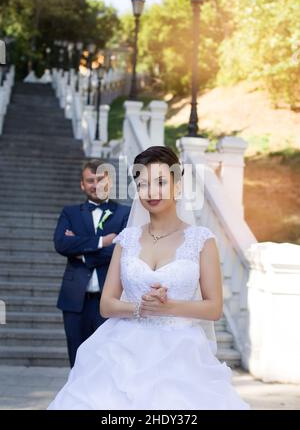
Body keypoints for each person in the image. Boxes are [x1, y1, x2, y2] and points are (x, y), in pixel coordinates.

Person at [48, 147, 249, 410]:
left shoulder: (201, 240)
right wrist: (140, 307)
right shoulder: (127, 239)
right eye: (142, 184)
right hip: (122, 350)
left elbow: (213, 308)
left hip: (180, 353)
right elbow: (107, 305)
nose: (151, 191)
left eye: (161, 182)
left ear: (177, 186)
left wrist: (169, 307)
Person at [53, 159, 130, 367]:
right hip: (74, 299)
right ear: (82, 184)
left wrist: (81, 251)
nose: (96, 185)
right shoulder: (69, 213)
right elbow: (61, 244)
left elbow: (122, 251)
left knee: (107, 361)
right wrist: (102, 241)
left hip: (110, 299)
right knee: (77, 359)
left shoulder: (125, 214)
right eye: (90, 181)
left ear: (109, 182)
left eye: (100, 180)